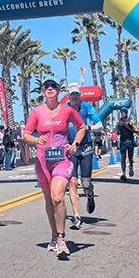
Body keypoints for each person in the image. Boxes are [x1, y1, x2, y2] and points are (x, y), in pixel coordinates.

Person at [23, 76, 87, 257]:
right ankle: (53, 234)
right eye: (46, 87)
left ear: (59, 91)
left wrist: (75, 143)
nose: (49, 89)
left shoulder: (67, 111)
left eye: (53, 86)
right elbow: (26, 134)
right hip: (43, 162)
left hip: (62, 160)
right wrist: (36, 139)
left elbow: (82, 127)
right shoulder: (36, 112)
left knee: (58, 197)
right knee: (49, 200)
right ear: (43, 91)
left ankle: (61, 237)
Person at [65, 82, 103, 230]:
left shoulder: (87, 107)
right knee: (72, 183)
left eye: (76, 94)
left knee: (86, 183)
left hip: (86, 148)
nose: (74, 97)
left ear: (79, 95)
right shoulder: (64, 109)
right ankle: (76, 216)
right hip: (71, 148)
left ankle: (90, 194)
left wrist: (89, 127)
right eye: (72, 94)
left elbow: (100, 125)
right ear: (68, 96)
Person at [117, 107, 138, 182]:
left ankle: (131, 166)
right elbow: (118, 131)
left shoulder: (130, 120)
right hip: (122, 141)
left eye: (124, 112)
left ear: (126, 112)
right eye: (122, 112)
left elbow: (136, 130)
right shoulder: (119, 121)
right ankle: (124, 174)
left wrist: (133, 126)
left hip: (130, 142)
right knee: (123, 158)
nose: (123, 113)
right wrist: (117, 129)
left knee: (130, 158)